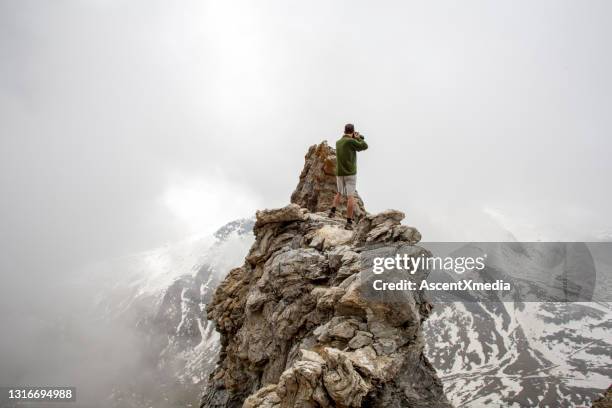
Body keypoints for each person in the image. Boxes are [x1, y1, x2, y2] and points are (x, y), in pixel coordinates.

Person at [328, 123, 368, 230]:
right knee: (350, 196)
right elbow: (364, 146)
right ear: (353, 131)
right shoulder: (351, 141)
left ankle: (332, 212)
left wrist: (355, 137)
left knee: (339, 192)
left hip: (340, 173)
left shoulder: (338, 142)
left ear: (344, 131)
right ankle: (349, 222)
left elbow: (350, 142)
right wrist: (359, 138)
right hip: (350, 173)